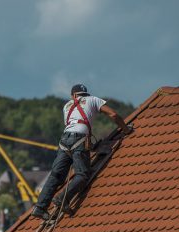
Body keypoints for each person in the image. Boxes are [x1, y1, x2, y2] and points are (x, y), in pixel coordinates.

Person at [31, 84, 132, 220]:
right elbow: (113, 114)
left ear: (73, 96)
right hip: (79, 139)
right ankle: (62, 199)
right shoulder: (93, 100)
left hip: (64, 141)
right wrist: (126, 129)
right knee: (82, 174)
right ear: (86, 94)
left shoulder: (66, 106)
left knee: (56, 175)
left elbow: (73, 124)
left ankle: (40, 207)